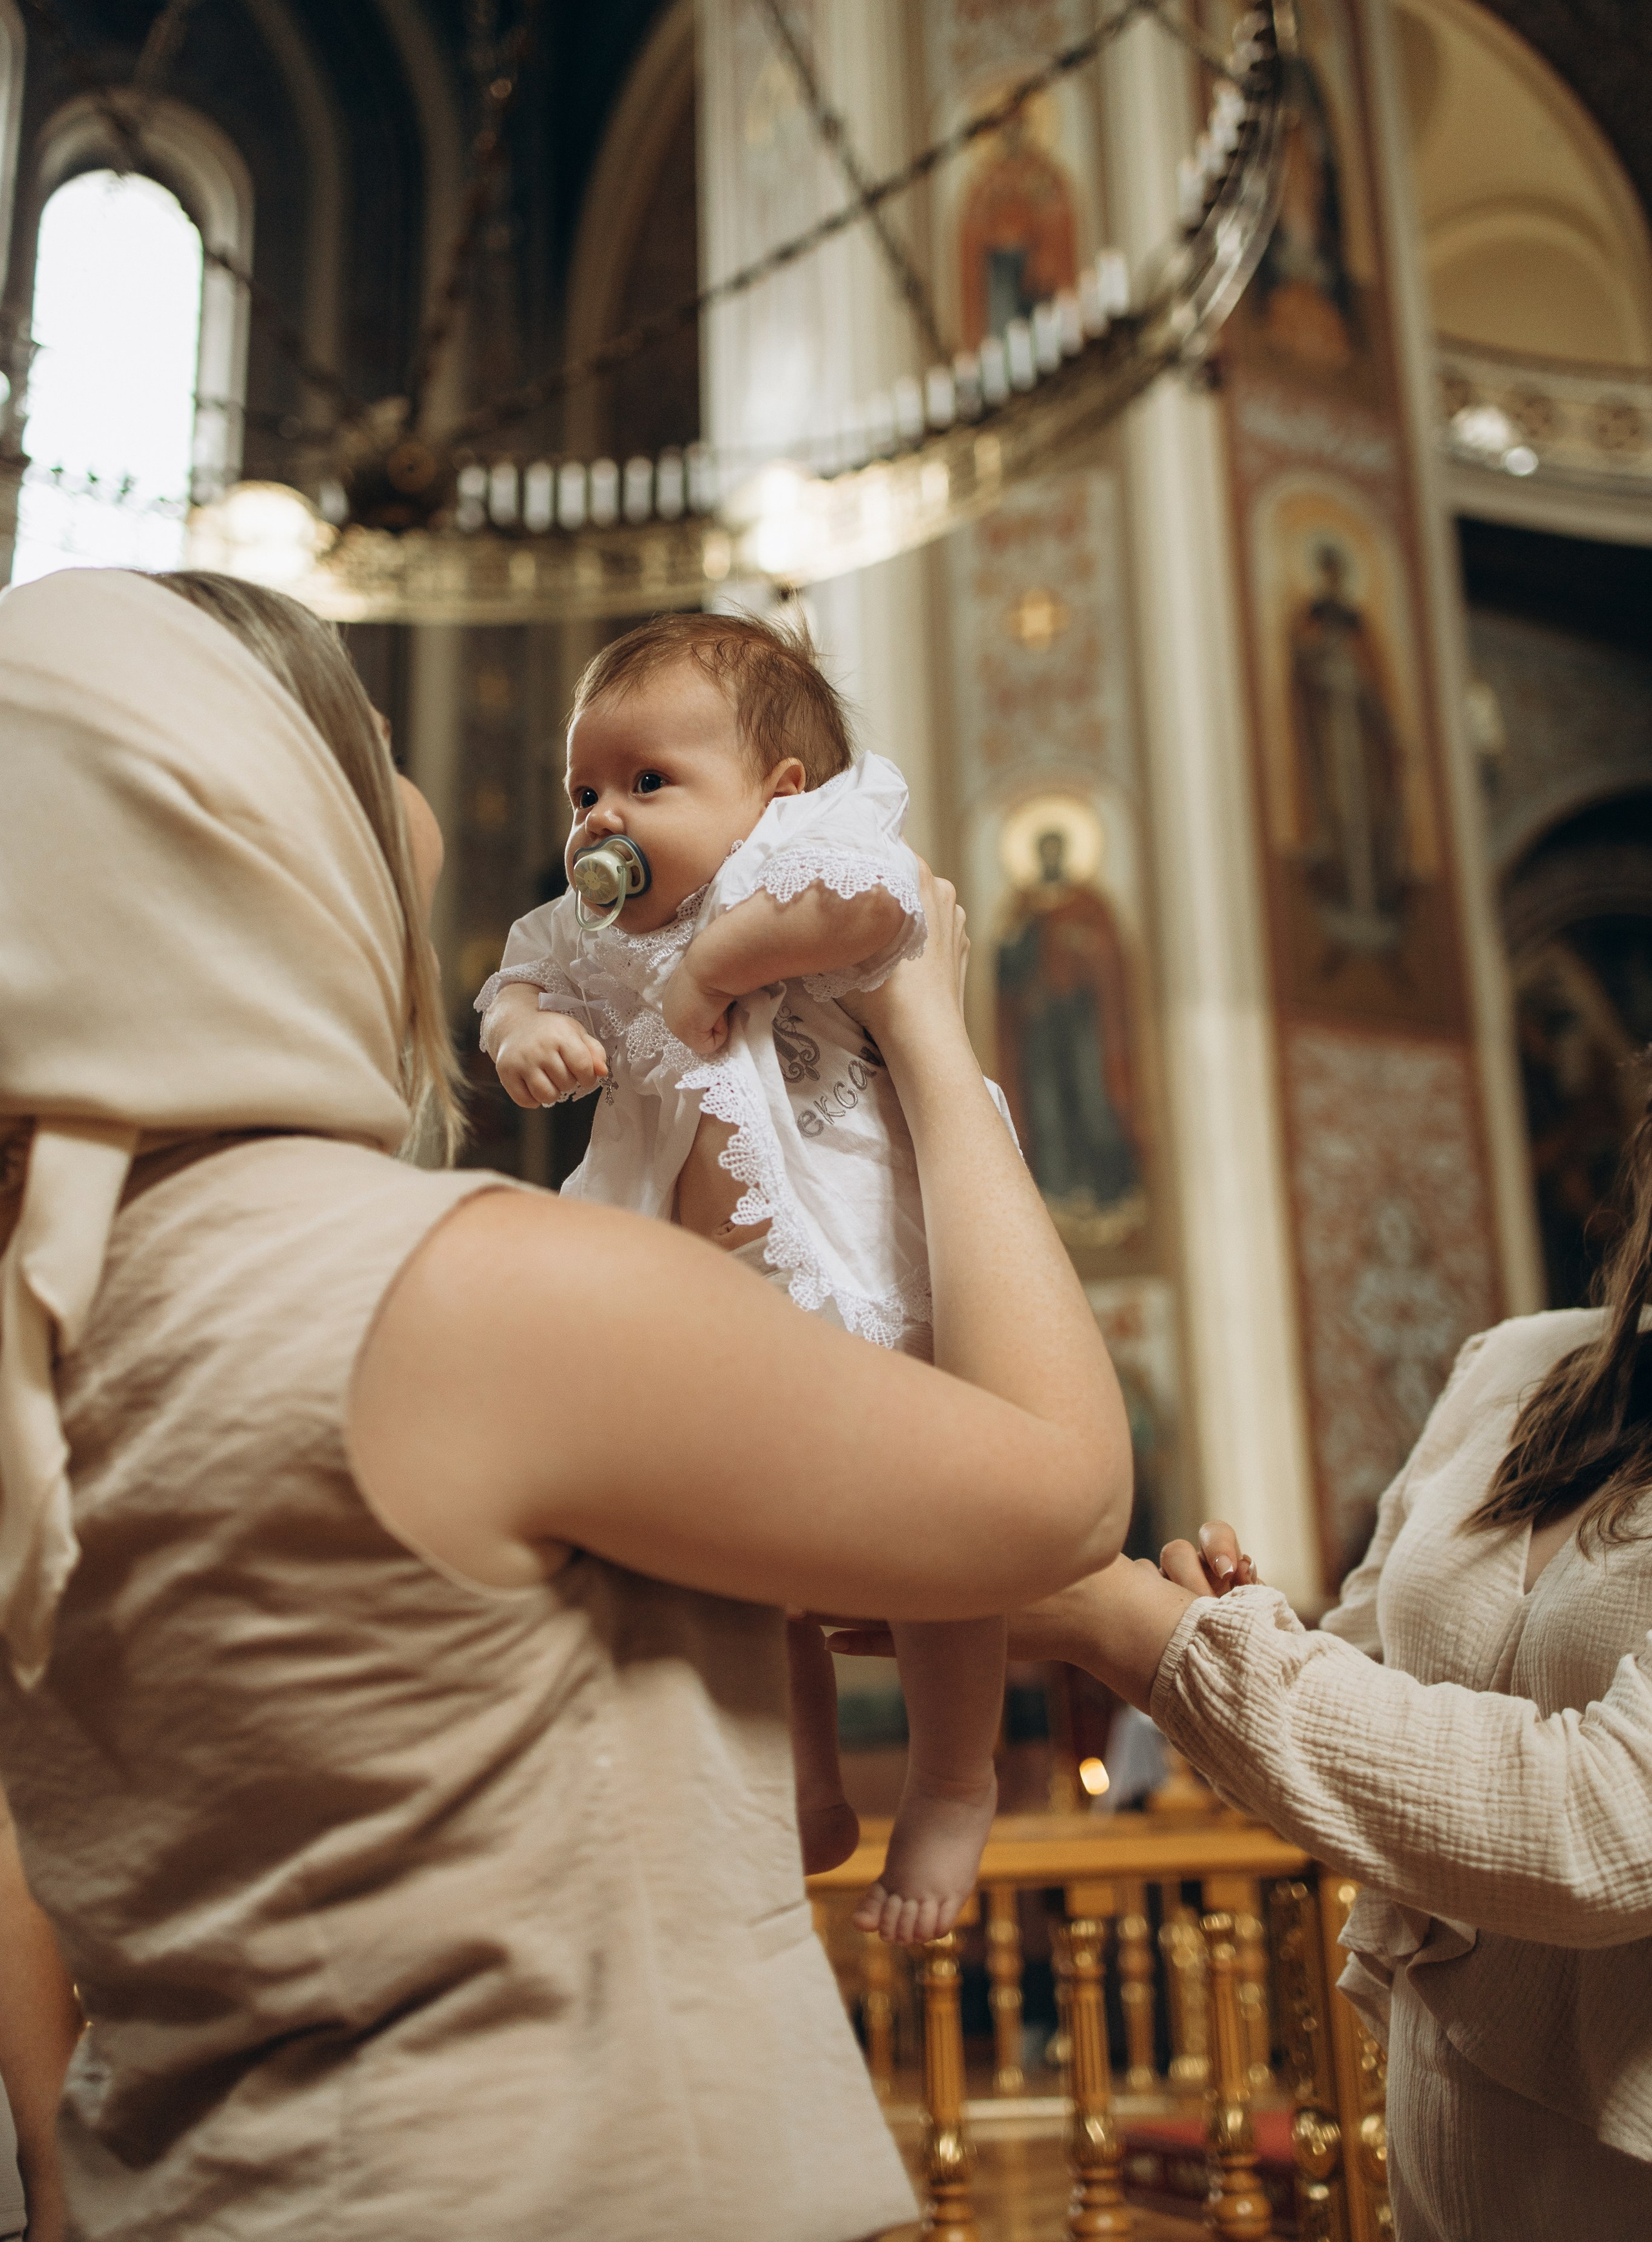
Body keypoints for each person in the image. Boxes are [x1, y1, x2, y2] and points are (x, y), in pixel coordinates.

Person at [0, 566, 1132, 2242]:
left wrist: (50, 2164)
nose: (447, 821)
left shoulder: (59, 1313)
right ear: (242, 829)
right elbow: (1064, 1496)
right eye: (373, 753)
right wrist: (923, 1029)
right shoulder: (472, 1295)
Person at [832, 1095, 1652, 2240]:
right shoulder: (1517, 1368)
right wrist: (1224, 1625)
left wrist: (1130, 1626)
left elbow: (1609, 1823)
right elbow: (1363, 1679)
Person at [477, 612, 1005, 1943]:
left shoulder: (799, 865)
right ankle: (809, 1784)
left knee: (936, 1546)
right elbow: (510, 977)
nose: (602, 817)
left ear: (773, 797)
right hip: (698, 1305)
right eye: (582, 790)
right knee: (736, 1564)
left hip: (856, 1272)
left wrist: (719, 959)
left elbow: (884, 902)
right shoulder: (592, 937)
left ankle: (951, 1779)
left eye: (647, 783)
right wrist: (527, 1028)